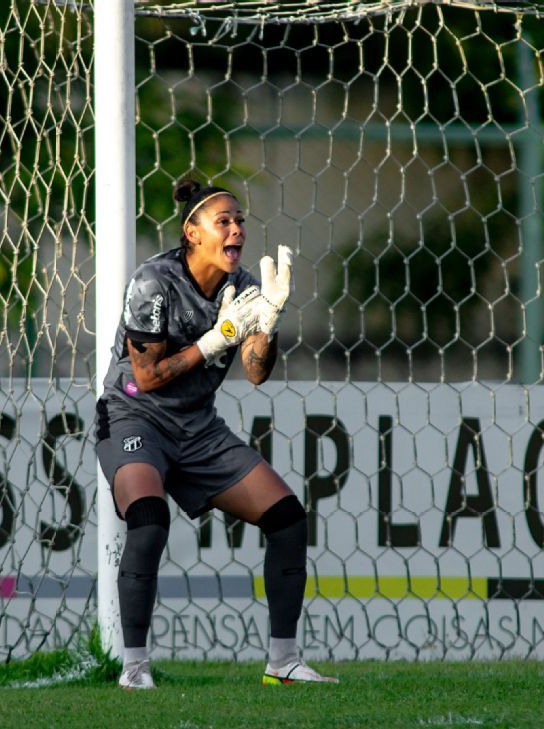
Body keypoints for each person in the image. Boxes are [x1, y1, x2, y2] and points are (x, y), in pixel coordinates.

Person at [95, 178, 338, 689]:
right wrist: (217, 338)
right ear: (192, 232)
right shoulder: (152, 283)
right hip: (135, 417)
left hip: (198, 428)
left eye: (240, 220)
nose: (237, 229)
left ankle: (283, 664)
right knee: (149, 517)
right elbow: (145, 377)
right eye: (223, 221)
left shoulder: (244, 286)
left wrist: (266, 324)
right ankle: (135, 668)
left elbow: (254, 372)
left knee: (288, 518)